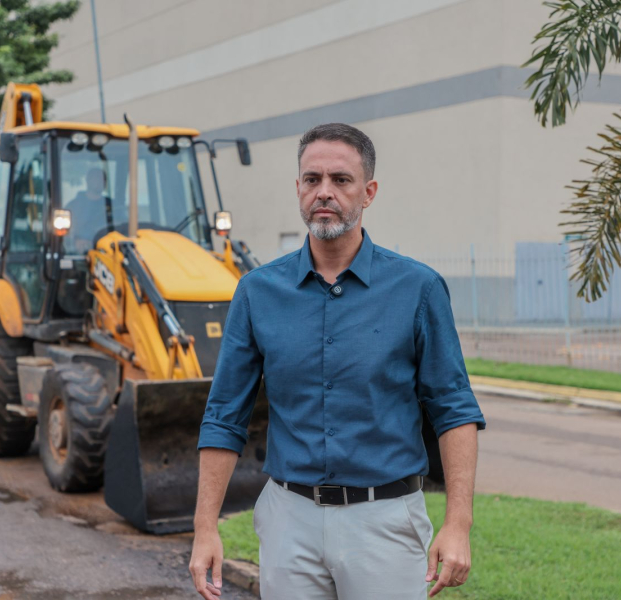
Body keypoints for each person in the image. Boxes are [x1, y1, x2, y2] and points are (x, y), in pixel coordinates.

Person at [189, 123, 486, 599]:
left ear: (368, 192)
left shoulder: (418, 289)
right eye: (312, 179)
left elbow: (454, 410)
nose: (323, 192)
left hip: (385, 522)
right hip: (289, 522)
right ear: (299, 188)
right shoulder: (257, 292)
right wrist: (206, 527)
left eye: (340, 180)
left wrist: (458, 523)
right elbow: (225, 415)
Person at [65, 167, 126, 253]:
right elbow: (67, 233)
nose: (100, 181)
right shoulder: (74, 206)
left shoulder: (113, 206)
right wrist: (77, 241)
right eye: (96, 178)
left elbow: (123, 227)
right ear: (88, 180)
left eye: (103, 179)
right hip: (81, 254)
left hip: (109, 252)